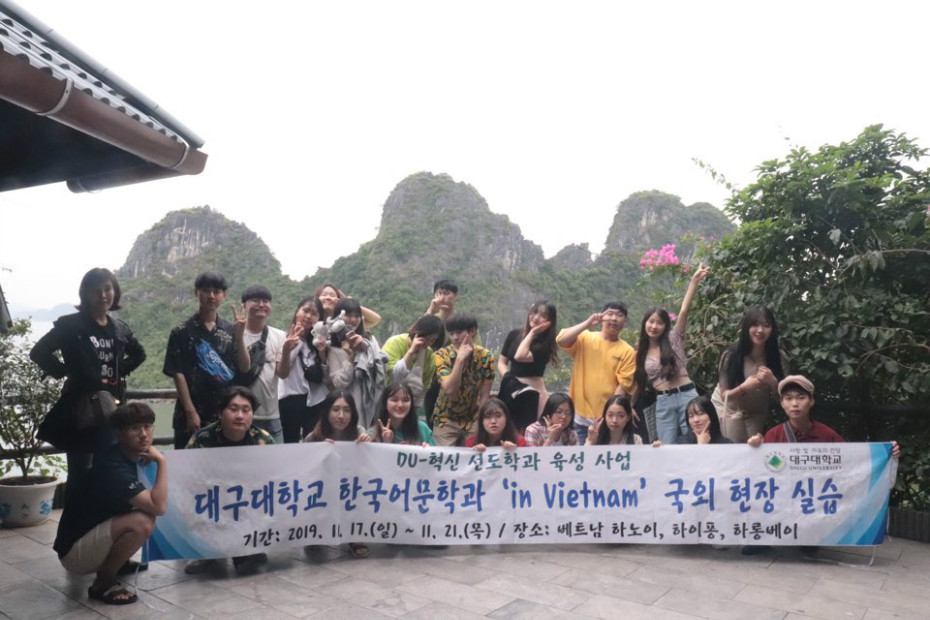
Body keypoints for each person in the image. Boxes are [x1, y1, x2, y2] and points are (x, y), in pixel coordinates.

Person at [746, 375, 900, 555]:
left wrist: (887, 453)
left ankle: (810, 535)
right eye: (788, 399)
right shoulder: (774, 434)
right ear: (782, 403)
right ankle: (763, 537)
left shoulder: (826, 435)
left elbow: (852, 461)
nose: (795, 404)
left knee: (811, 541)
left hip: (813, 500)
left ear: (811, 401)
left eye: (801, 398)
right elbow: (760, 471)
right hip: (782, 496)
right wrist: (755, 447)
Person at [31, 268, 146, 507]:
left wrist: (117, 373)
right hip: (82, 409)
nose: (103, 295)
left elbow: (139, 354)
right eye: (96, 290)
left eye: (108, 289)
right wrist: (67, 371)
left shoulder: (118, 328)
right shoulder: (71, 326)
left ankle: (103, 519)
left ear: (115, 292)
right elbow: (39, 351)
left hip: (113, 408)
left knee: (110, 467)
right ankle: (74, 525)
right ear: (85, 293)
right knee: (81, 472)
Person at [53, 402, 166, 606]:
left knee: (141, 514)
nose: (143, 434)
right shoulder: (113, 466)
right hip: (74, 553)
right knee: (143, 522)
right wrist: (162, 462)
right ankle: (104, 581)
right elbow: (158, 507)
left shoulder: (129, 456)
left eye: (147, 426)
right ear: (119, 433)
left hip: (89, 537)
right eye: (134, 428)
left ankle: (118, 563)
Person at [183, 386, 274, 575]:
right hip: (212, 502)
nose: (240, 416)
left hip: (247, 504)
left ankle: (247, 549)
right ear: (220, 412)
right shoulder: (202, 439)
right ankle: (204, 552)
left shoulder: (263, 440)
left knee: (252, 566)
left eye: (246, 410)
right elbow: (186, 477)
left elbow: (276, 477)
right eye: (233, 409)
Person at [163, 272, 250, 449]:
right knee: (187, 462)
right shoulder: (181, 331)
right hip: (189, 414)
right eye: (206, 290)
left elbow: (245, 367)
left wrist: (240, 336)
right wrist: (190, 411)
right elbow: (177, 373)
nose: (211, 296)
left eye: (216, 292)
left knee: (223, 464)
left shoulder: (231, 330)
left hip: (224, 414)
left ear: (224, 295)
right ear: (197, 292)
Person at [632, 264, 710, 444]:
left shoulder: (673, 339)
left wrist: (694, 281)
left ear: (665, 326)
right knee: (666, 446)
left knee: (695, 440)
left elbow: (684, 311)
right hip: (663, 402)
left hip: (687, 396)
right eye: (651, 321)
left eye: (659, 323)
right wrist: (629, 405)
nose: (654, 326)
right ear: (645, 324)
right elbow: (639, 384)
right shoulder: (640, 353)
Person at [556, 301, 636, 444]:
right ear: (602, 317)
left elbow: (622, 387)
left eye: (619, 315)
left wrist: (608, 417)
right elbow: (561, 340)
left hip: (606, 421)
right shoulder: (585, 338)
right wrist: (587, 323)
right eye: (610, 314)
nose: (614, 318)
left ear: (625, 321)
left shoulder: (627, 351)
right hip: (579, 417)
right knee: (582, 456)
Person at [303, 391, 371, 558]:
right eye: (336, 409)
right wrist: (318, 451)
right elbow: (303, 466)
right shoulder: (315, 435)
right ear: (327, 412)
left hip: (351, 488)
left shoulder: (359, 432)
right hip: (325, 488)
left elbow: (370, 466)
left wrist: (368, 445)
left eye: (347, 410)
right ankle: (316, 531)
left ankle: (355, 536)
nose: (341, 416)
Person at [711, 306, 788, 443]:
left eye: (766, 325)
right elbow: (725, 396)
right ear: (747, 327)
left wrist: (773, 382)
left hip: (756, 411)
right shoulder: (731, 355)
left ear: (772, 329)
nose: (760, 330)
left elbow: (785, 399)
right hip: (728, 408)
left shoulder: (779, 358)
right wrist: (745, 387)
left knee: (753, 447)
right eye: (755, 325)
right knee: (734, 446)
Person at [431, 313, 495, 446]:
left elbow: (484, 394)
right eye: (451, 333)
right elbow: (450, 389)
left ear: (472, 332)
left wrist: (480, 421)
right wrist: (459, 360)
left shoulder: (485, 357)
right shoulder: (441, 355)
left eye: (459, 333)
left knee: (474, 454)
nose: (455, 337)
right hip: (445, 419)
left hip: (473, 418)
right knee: (445, 456)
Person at [498, 300, 559, 432]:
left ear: (549, 322)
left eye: (543, 316)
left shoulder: (545, 344)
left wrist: (532, 333)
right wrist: (509, 379)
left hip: (533, 395)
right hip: (512, 390)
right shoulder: (514, 335)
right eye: (534, 312)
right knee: (507, 432)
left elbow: (520, 356)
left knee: (528, 434)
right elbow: (501, 362)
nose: (536, 318)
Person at [326, 298, 387, 428]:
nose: (353, 319)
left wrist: (365, 347)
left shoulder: (368, 340)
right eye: (348, 315)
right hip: (347, 407)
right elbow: (338, 384)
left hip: (371, 401)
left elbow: (382, 366)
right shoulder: (333, 349)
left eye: (356, 315)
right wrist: (350, 357)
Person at [238, 284, 287, 444]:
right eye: (256, 300)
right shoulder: (234, 333)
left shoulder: (279, 336)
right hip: (240, 415)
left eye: (266, 301)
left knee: (276, 458)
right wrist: (237, 336)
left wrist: (287, 350)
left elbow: (283, 373)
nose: (261, 304)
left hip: (271, 415)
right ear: (244, 306)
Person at [277, 297, 330, 443]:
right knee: (289, 444)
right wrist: (294, 343)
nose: (308, 316)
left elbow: (326, 377)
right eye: (305, 311)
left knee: (314, 444)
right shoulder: (283, 338)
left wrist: (322, 353)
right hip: (290, 401)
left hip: (316, 401)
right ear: (297, 312)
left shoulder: (320, 342)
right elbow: (283, 372)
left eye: (314, 313)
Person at [382, 315, 445, 420]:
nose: (427, 343)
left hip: (411, 405)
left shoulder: (429, 355)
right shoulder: (395, 343)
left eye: (432, 340)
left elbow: (424, 386)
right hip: (386, 401)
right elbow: (395, 375)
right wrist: (411, 351)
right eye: (426, 338)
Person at [370, 382, 435, 446]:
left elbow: (435, 452)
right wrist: (386, 443)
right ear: (385, 403)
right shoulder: (372, 434)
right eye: (395, 400)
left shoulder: (422, 429)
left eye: (405, 400)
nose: (400, 405)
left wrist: (428, 450)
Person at [665, 395, 733, 445]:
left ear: (711, 415)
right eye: (691, 416)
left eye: (700, 414)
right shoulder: (680, 444)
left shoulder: (726, 445)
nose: (696, 420)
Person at [314, 283, 381, 328]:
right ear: (316, 299)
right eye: (324, 295)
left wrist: (349, 302)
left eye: (332, 295)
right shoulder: (311, 321)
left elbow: (375, 319)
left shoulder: (345, 322)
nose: (328, 297)